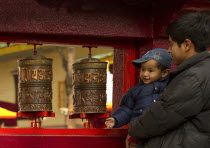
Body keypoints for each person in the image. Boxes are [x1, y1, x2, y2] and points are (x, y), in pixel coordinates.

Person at [128, 12, 210, 148]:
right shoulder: (202, 71)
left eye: (171, 44)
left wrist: (133, 130)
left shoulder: (194, 77)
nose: (169, 50)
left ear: (186, 44)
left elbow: (161, 116)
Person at [105, 48, 172, 148]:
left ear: (164, 73)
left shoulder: (171, 88)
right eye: (143, 69)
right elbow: (127, 109)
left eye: (150, 71)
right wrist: (116, 119)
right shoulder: (135, 91)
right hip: (138, 135)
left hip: (162, 136)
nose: (145, 74)